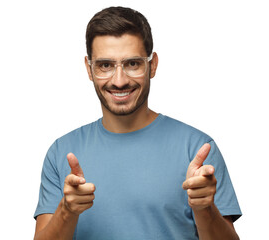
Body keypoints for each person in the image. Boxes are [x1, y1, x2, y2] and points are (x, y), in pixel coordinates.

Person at [34, 6, 241, 240]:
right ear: (89, 69)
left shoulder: (197, 150)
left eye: (133, 63)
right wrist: (67, 211)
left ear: (152, 65)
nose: (119, 80)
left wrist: (205, 209)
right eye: (105, 65)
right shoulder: (61, 152)